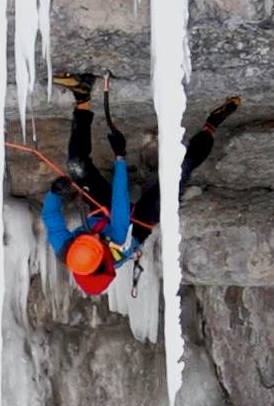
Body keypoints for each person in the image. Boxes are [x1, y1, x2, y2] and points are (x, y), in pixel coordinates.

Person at [40, 72, 241, 296]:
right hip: (136, 224)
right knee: (180, 173)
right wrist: (119, 157)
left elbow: (50, 218)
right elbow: (120, 202)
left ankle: (82, 97)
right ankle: (211, 126)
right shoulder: (117, 241)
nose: (93, 239)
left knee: (77, 165)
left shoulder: (67, 251)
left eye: (87, 240)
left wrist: (55, 193)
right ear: (101, 256)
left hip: (101, 214)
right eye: (96, 243)